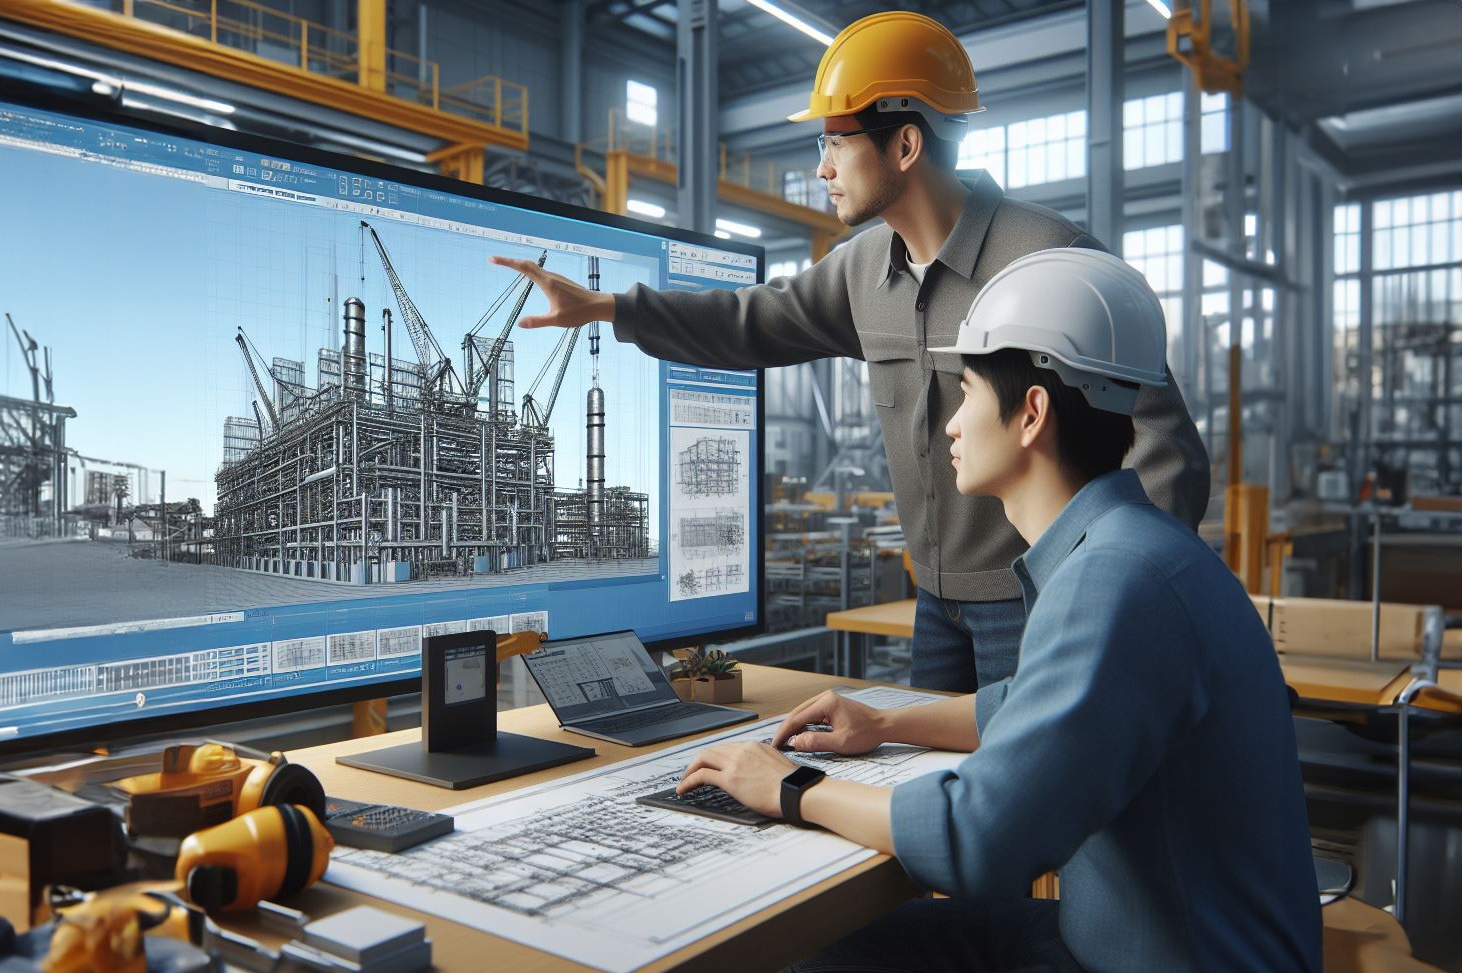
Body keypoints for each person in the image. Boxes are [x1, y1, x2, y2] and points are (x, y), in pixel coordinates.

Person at [675, 249, 1324, 973]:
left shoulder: (1116, 579)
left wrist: (787, 786)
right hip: (1133, 945)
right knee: (831, 957)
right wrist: (882, 723)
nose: (949, 422)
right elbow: (1035, 705)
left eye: (968, 392)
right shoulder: (1132, 548)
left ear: (1031, 414)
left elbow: (979, 840)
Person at [492, 10, 1210, 695]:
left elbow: (1162, 448)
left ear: (903, 145)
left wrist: (1104, 596)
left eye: (836, 142)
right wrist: (611, 308)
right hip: (936, 602)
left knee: (1040, 806)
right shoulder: (863, 270)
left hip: (1038, 602)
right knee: (925, 784)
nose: (822, 168)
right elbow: (749, 322)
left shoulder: (1046, 261)